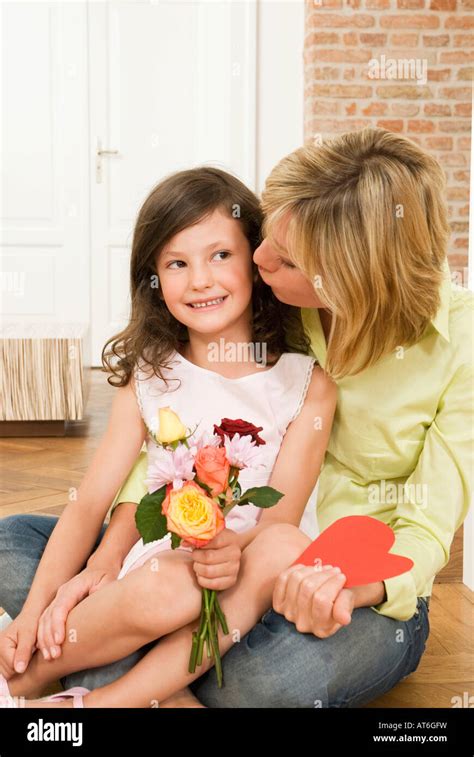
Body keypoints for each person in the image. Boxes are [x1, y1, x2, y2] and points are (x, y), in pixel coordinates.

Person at [1, 127, 472, 708]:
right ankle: (145, 673)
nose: (259, 257)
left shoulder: (439, 350)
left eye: (284, 257)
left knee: (258, 681)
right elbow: (153, 456)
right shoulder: (277, 312)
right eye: (265, 236)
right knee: (14, 545)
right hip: (183, 559)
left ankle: (110, 676)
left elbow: (418, 535)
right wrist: (103, 560)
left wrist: (344, 586)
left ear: (346, 280)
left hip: (344, 581)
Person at [0, 167, 337, 707]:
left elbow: (277, 523)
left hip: (248, 582)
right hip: (157, 580)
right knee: (152, 576)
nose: (200, 280)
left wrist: (229, 553)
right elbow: (88, 505)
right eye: (176, 264)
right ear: (153, 279)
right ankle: (29, 673)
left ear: (256, 260)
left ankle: (95, 700)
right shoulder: (153, 376)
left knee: (280, 548)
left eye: (220, 256)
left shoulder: (306, 386)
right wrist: (41, 607)